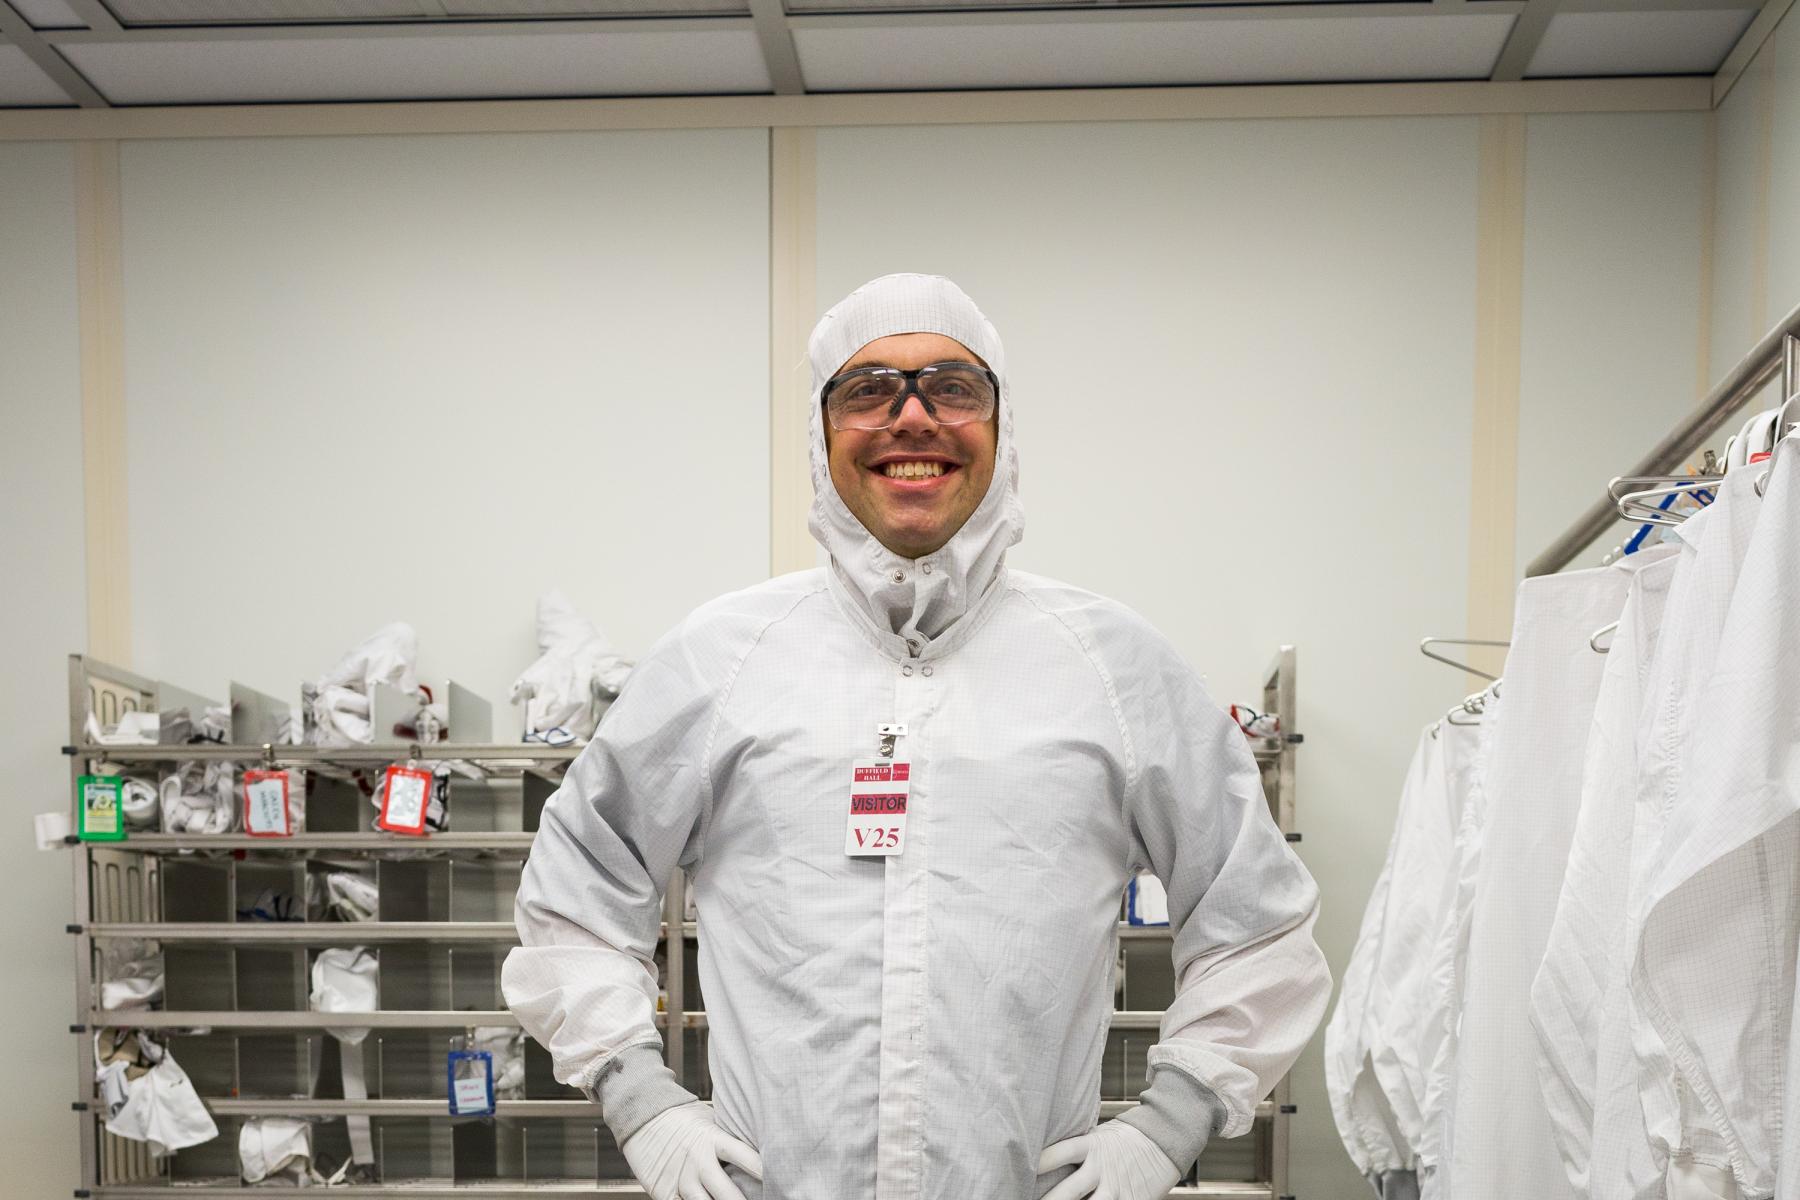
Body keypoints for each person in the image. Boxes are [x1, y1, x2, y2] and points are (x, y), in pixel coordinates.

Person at [503, 273, 1331, 1200]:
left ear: (1001, 429)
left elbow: (1256, 925)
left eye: (953, 387)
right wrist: (640, 1097)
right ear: (821, 441)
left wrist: (1166, 1126)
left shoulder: (1113, 668)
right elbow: (575, 899)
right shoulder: (720, 662)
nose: (912, 418)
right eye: (868, 391)